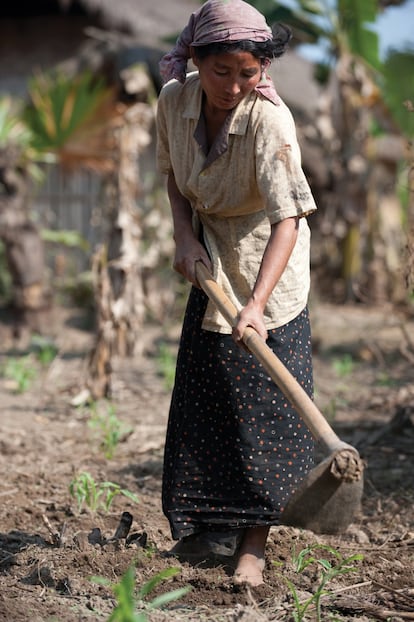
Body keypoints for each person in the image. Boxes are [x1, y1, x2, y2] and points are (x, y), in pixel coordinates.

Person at [156, 0, 317, 586]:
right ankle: (208, 530)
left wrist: (255, 305)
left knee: (265, 410)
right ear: (197, 59)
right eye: (221, 72)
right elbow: (174, 176)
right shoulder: (174, 101)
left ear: (263, 69)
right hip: (210, 258)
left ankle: (254, 544)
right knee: (208, 401)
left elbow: (288, 220)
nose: (233, 86)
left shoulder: (270, 121)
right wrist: (183, 236)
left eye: (248, 73)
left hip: (268, 267)